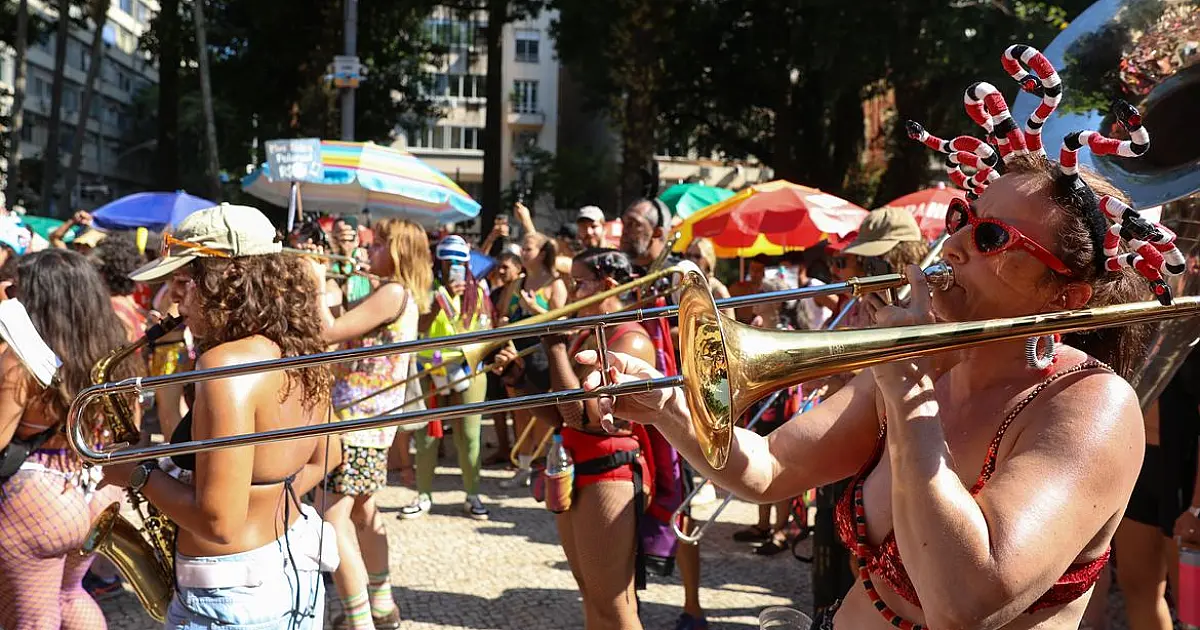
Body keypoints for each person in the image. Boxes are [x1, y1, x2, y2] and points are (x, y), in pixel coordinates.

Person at [582, 55, 1171, 629]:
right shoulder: (929, 366)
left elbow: (964, 604)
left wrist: (906, 386)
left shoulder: (1092, 405)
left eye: (992, 236)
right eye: (963, 218)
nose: (957, 243)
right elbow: (769, 467)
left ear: (1063, 296)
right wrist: (671, 410)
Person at [107, 204, 342, 629]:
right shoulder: (300, 348)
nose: (174, 296)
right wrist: (263, 498)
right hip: (288, 571)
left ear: (228, 279)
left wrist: (136, 474)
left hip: (229, 598)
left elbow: (218, 524)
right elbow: (327, 456)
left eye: (184, 280)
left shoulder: (226, 368)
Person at [498, 248, 655, 630]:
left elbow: (587, 418)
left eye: (579, 282)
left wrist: (554, 346)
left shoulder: (628, 341)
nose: (570, 291)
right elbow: (559, 417)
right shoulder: (586, 332)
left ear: (608, 285)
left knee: (615, 604)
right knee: (591, 593)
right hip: (577, 463)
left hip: (610, 472)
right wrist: (518, 381)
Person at [0, 249, 139, 630]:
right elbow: (130, 432)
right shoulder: (115, 352)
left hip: (37, 497)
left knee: (31, 619)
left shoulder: (23, 361)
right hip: (97, 491)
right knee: (70, 593)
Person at [310, 218, 432, 630]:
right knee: (364, 512)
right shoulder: (395, 293)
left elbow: (326, 332)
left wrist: (315, 278)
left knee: (331, 518)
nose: (367, 251)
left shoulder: (394, 291)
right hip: (369, 422)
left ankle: (358, 619)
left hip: (357, 423)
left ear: (397, 252)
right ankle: (382, 608)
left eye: (378, 244)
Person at [404, 235, 492, 519]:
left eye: (459, 262)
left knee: (469, 435)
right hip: (429, 369)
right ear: (438, 262)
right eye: (448, 261)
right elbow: (416, 326)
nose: (453, 267)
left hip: (467, 369)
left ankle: (473, 494)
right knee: (426, 436)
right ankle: (423, 494)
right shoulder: (425, 290)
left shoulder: (477, 292)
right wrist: (439, 304)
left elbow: (485, 331)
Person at [1112, 348, 1199, 630]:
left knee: (1193, 609)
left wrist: (1197, 507)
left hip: (1188, 475)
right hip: (1140, 462)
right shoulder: (1139, 322)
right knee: (1138, 587)